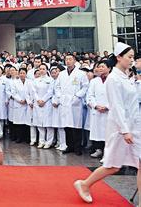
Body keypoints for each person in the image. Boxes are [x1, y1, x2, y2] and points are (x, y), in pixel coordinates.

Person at [74, 42, 140, 204]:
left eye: (133, 57)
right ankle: (84, 184)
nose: (132, 60)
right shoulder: (114, 79)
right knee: (113, 165)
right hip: (120, 128)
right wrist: (125, 130)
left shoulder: (127, 76)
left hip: (134, 125)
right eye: (129, 57)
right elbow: (116, 106)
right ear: (119, 57)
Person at [56, 54, 89, 155]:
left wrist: (77, 96)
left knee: (76, 127)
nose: (68, 61)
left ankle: (77, 147)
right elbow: (57, 87)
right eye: (66, 59)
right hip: (64, 102)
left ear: (74, 61)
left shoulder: (81, 74)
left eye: (70, 59)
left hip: (75, 102)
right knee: (67, 126)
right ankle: (69, 146)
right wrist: (59, 96)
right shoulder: (61, 74)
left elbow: (85, 87)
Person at [86, 61, 110, 159]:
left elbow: (116, 96)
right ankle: (99, 150)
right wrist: (95, 105)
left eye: (102, 67)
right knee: (98, 133)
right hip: (97, 110)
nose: (100, 69)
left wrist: (107, 106)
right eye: (99, 67)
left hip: (108, 110)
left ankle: (107, 154)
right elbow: (90, 95)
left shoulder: (113, 81)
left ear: (109, 68)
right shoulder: (94, 81)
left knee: (108, 133)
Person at [33, 64, 54, 149]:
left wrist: (44, 100)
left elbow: (50, 92)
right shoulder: (35, 80)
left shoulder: (51, 80)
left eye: (43, 69)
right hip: (38, 104)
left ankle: (49, 142)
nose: (42, 70)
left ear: (47, 70)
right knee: (39, 124)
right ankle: (41, 141)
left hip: (47, 103)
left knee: (48, 124)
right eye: (40, 69)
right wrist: (38, 100)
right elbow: (34, 92)